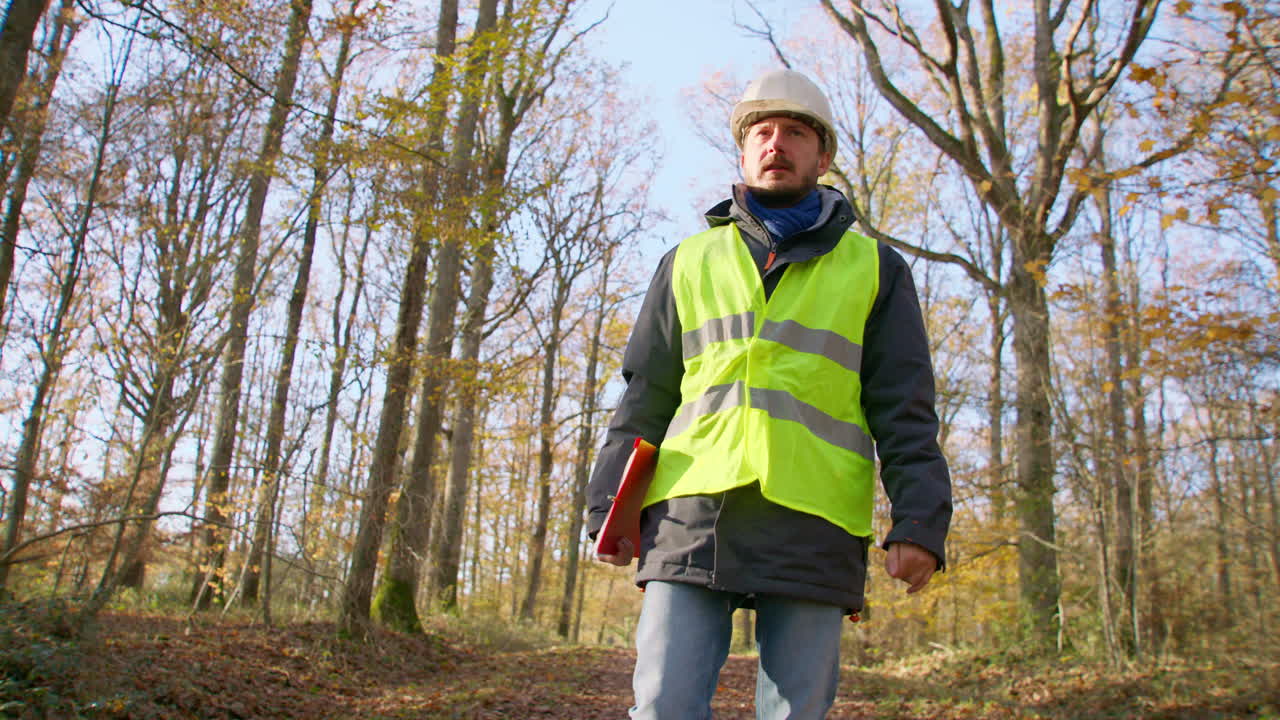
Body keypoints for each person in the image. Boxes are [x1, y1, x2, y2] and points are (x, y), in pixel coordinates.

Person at [586, 68, 952, 720]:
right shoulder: (689, 261)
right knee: (663, 705)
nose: (776, 143)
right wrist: (609, 509)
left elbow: (904, 406)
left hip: (814, 520)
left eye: (795, 132)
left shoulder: (875, 269)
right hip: (688, 512)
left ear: (823, 154)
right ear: (745, 148)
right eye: (762, 131)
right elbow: (648, 394)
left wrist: (920, 521)